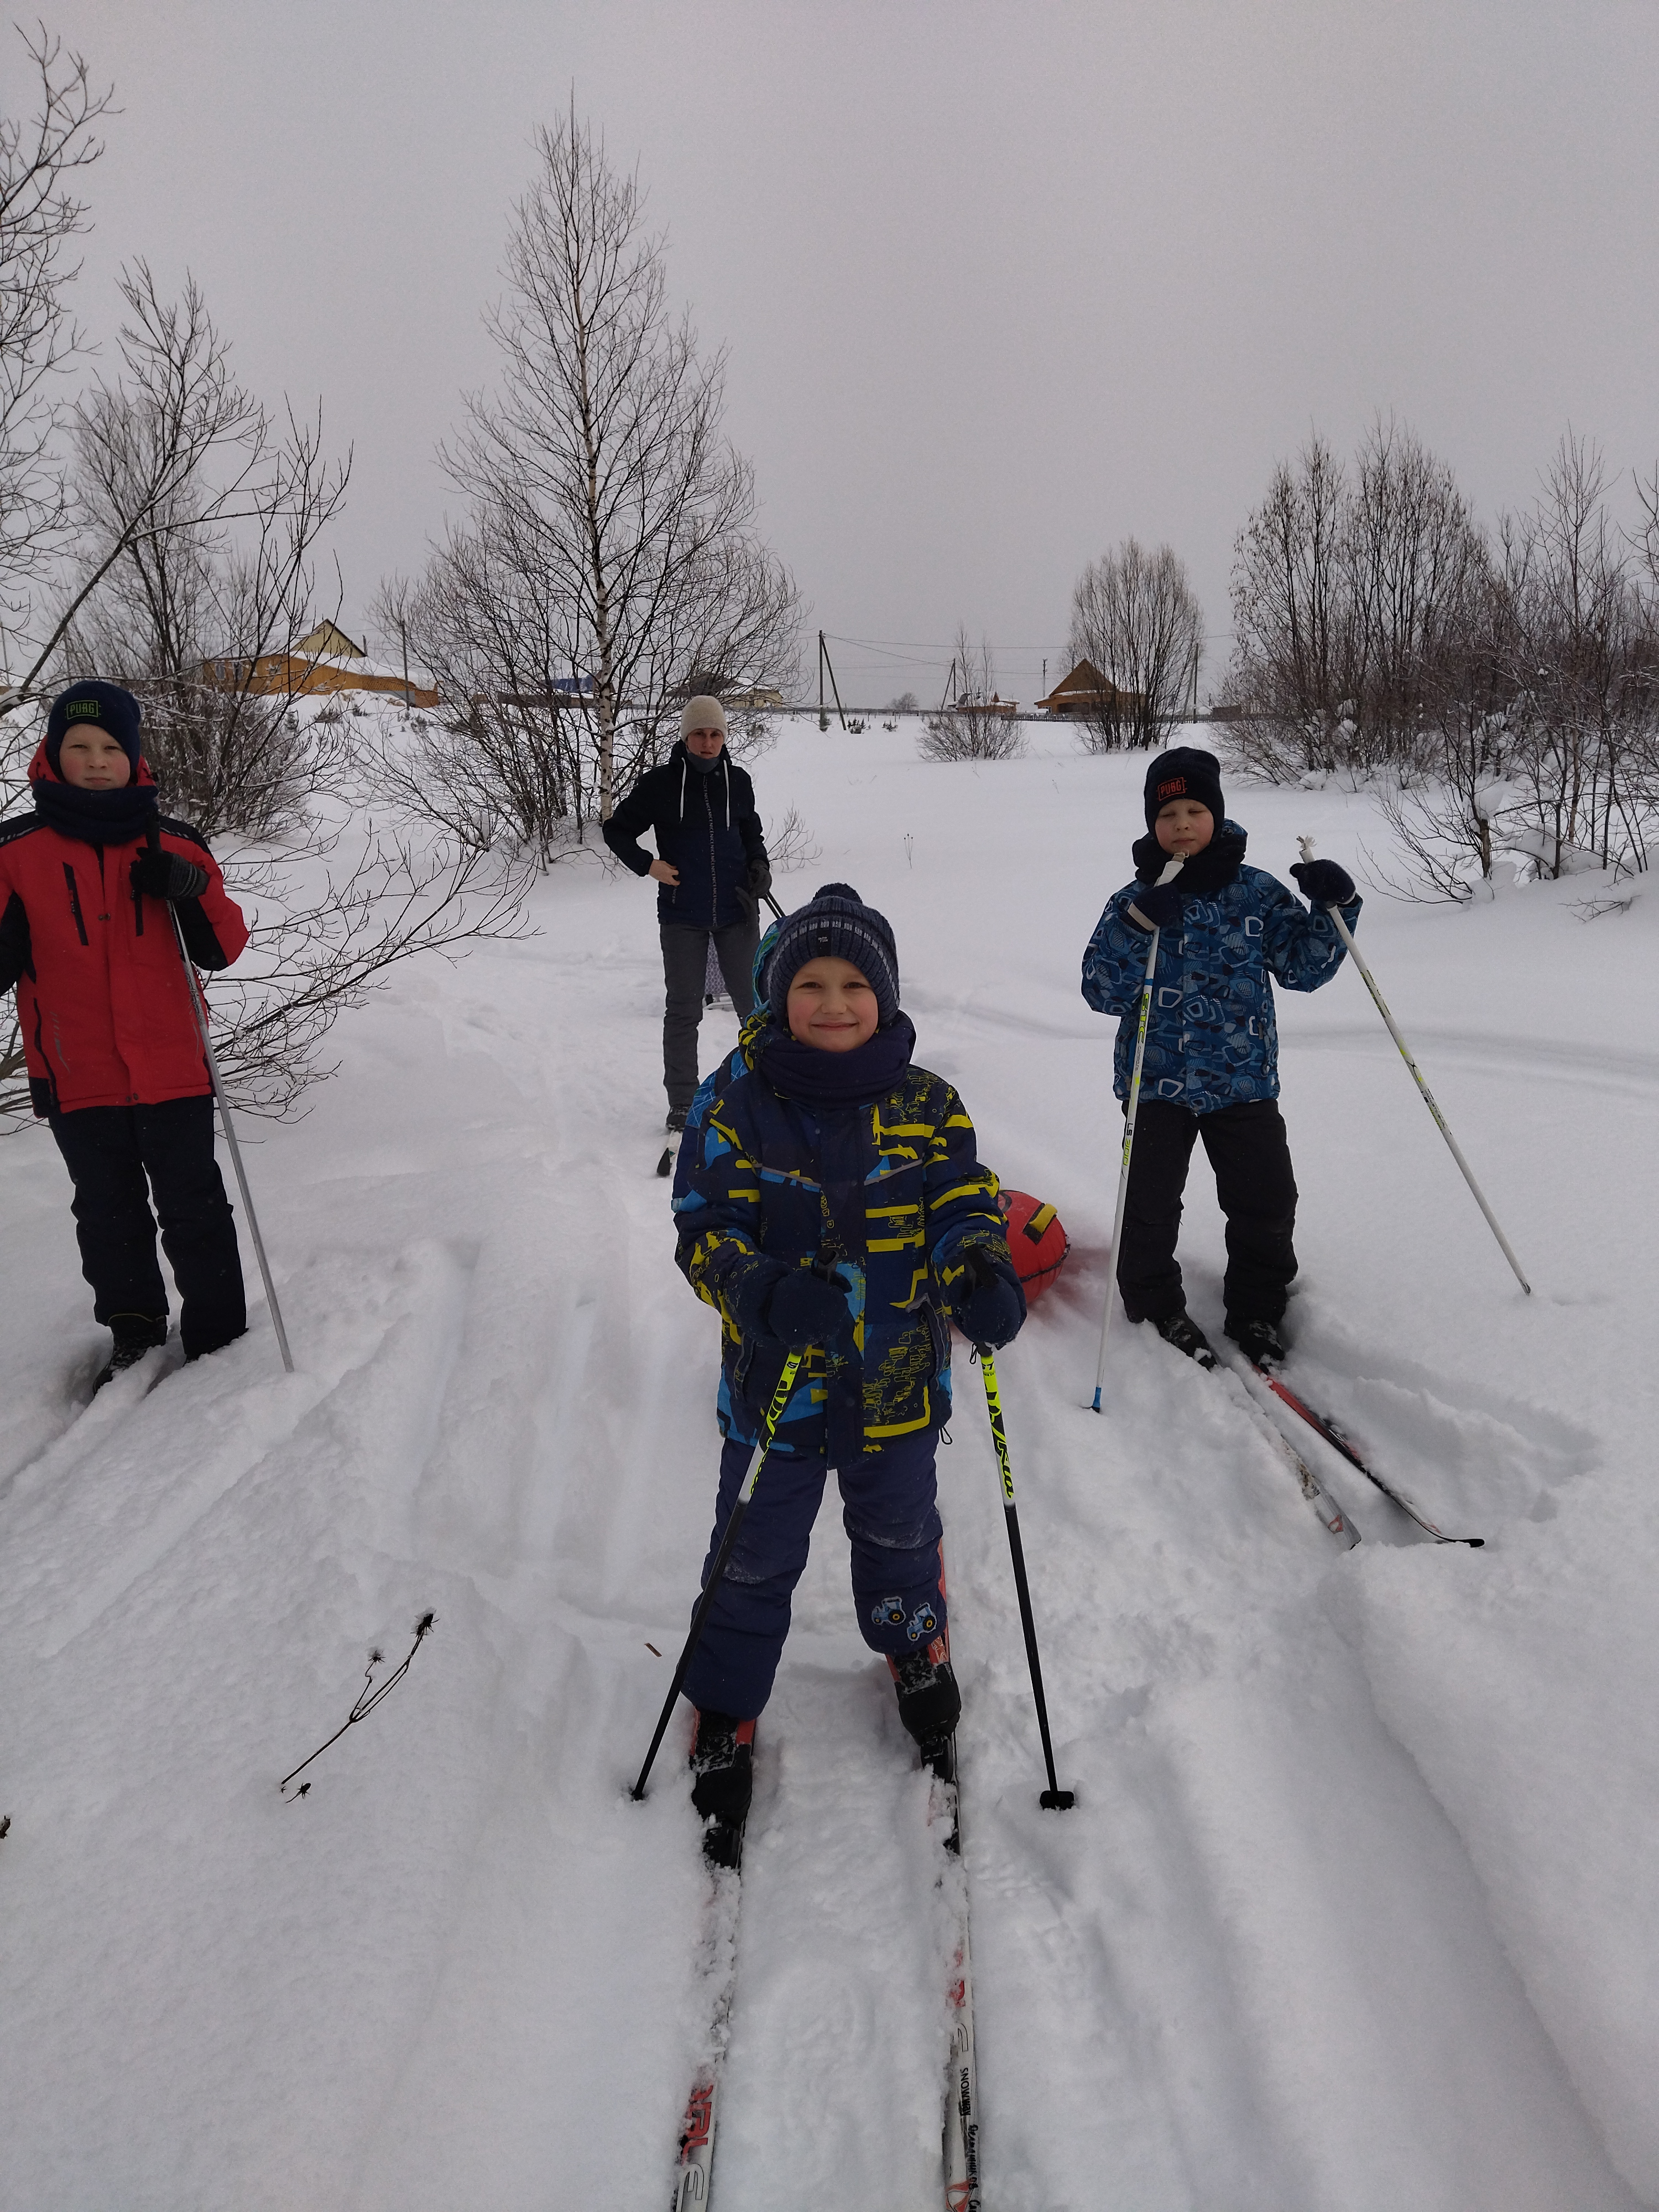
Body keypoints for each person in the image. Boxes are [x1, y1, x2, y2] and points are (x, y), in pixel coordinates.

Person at [669, 882, 1025, 1854]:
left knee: (902, 1532)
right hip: (776, 1391)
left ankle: (915, 1642)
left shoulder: (927, 1104)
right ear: (776, 996)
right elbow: (702, 1231)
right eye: (810, 984)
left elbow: (963, 1202)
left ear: (887, 996)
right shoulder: (735, 1103)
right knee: (752, 1556)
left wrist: (978, 1265)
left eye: (854, 985)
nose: (833, 1003)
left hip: (897, 1382)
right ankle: (728, 1704)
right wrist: (762, 1293)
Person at [0, 680, 250, 1389]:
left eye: (112, 746)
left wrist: (190, 888)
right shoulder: (13, 851)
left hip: (173, 1066)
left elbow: (223, 947)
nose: (97, 759)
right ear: (53, 756)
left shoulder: (176, 843)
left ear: (135, 757)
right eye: (79, 747)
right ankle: (135, 1326)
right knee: (107, 1211)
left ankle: (220, 1331)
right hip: (76, 1072)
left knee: (194, 1203)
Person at [1080, 746, 1360, 1369]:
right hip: (1156, 1086)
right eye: (1169, 811)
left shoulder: (1255, 891)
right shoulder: (1137, 895)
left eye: (1195, 809)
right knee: (1149, 1207)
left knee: (1267, 1200)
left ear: (1217, 814)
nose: (1182, 822)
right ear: (1153, 822)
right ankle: (1154, 1304)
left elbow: (1303, 968)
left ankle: (1257, 1307)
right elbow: (1100, 989)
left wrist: (1336, 906)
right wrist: (1134, 926)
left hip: (1244, 1082)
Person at [602, 696, 773, 1140]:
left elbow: (751, 832)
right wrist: (648, 865)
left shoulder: (739, 781)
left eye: (715, 734)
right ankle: (683, 1103)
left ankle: (770, 1092)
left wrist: (760, 866)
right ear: (686, 735)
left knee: (755, 1010)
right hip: (682, 916)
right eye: (699, 733)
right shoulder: (660, 784)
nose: (708, 742)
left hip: (737, 911)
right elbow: (616, 829)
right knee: (682, 1012)